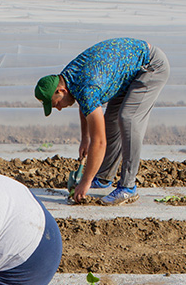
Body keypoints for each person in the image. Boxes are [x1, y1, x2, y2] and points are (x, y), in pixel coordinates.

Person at [34, 38, 169, 205]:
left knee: (128, 119)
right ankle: (104, 177)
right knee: (110, 122)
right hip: (126, 72)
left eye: (56, 104)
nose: (59, 108)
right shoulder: (69, 77)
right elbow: (85, 106)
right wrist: (85, 138)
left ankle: (128, 187)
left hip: (149, 66)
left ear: (61, 90)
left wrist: (85, 181)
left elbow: (99, 142)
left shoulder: (87, 87)